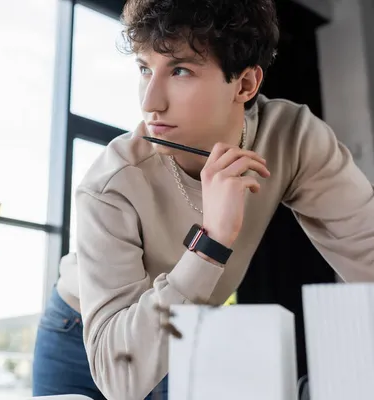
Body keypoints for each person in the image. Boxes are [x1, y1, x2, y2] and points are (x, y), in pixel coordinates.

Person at [32, 0, 374, 399]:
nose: (149, 102)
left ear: (245, 84)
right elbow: (118, 380)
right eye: (145, 69)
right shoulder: (111, 183)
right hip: (89, 332)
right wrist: (211, 240)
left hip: (188, 326)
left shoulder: (293, 138)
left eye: (179, 70)